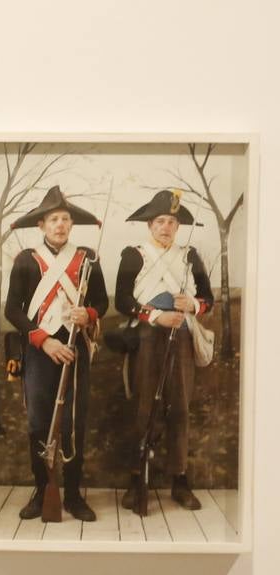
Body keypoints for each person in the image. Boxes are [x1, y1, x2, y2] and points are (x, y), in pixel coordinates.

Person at [5, 186, 109, 522]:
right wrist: (43, 341)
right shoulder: (26, 260)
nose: (60, 225)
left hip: (75, 347)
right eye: (53, 219)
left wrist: (89, 315)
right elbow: (13, 310)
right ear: (42, 225)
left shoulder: (88, 258)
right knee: (39, 421)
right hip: (40, 350)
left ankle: (74, 494)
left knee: (73, 422)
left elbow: (102, 302)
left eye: (65, 219)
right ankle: (42, 489)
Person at [115, 188, 215, 512]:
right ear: (149, 225)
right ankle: (136, 480)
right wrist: (156, 316)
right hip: (146, 337)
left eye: (171, 222)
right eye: (160, 221)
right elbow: (122, 300)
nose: (166, 227)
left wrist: (193, 305)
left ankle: (180, 480)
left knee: (180, 407)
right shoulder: (134, 254)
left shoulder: (189, 256)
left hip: (182, 337)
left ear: (177, 226)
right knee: (146, 407)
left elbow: (208, 299)